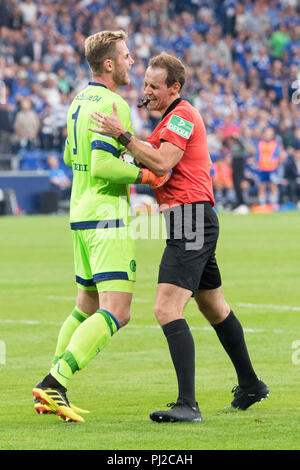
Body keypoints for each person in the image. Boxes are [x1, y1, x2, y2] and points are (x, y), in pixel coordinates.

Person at [89, 52, 270, 423]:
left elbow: (163, 163)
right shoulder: (165, 123)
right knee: (213, 307)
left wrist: (122, 135)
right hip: (188, 219)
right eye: (144, 85)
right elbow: (149, 163)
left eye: (154, 86)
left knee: (165, 309)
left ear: (175, 87)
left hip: (190, 219)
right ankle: (251, 384)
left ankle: (188, 404)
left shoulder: (183, 116)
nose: (146, 91)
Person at [32, 30, 169, 423]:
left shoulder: (79, 100)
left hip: (80, 213)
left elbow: (68, 154)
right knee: (118, 312)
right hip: (107, 217)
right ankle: (54, 382)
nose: (131, 62)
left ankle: (52, 388)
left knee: (85, 306)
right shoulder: (113, 104)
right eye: (126, 56)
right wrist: (146, 174)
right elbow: (101, 164)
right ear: (108, 64)